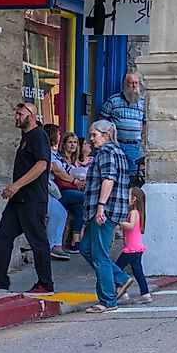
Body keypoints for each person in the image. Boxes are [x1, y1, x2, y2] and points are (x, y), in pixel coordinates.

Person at [0, 102, 54, 295]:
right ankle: (0, 280)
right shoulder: (25, 138)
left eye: (20, 114)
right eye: (16, 113)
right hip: (18, 200)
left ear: (31, 115)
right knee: (3, 235)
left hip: (32, 199)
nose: (16, 117)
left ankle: (45, 283)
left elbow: (41, 165)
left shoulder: (39, 136)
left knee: (38, 240)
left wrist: (16, 185)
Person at [80, 120, 134, 313]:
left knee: (100, 256)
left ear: (106, 135)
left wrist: (100, 206)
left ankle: (107, 300)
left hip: (105, 210)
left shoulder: (106, 152)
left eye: (94, 135)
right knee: (86, 248)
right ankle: (119, 278)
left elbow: (108, 179)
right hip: (110, 209)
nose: (91, 139)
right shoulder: (118, 153)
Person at [101, 72, 146, 175]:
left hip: (134, 146)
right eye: (131, 83)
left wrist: (140, 136)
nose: (134, 86)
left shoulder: (142, 103)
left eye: (136, 83)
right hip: (117, 144)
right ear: (125, 84)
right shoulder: (113, 100)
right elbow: (102, 121)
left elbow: (145, 122)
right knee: (114, 173)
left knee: (133, 175)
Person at [114, 187, 151, 305]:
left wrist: (118, 221)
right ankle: (145, 293)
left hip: (132, 249)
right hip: (136, 247)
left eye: (128, 195)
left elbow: (130, 226)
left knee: (116, 269)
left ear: (134, 199)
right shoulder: (134, 212)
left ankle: (121, 290)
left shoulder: (134, 212)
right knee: (137, 271)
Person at [51, 132, 88, 252]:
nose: (73, 145)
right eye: (70, 142)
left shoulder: (74, 161)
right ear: (64, 144)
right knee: (87, 198)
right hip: (61, 191)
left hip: (72, 191)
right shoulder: (56, 157)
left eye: (75, 143)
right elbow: (58, 172)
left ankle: (75, 241)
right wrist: (74, 180)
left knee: (80, 208)